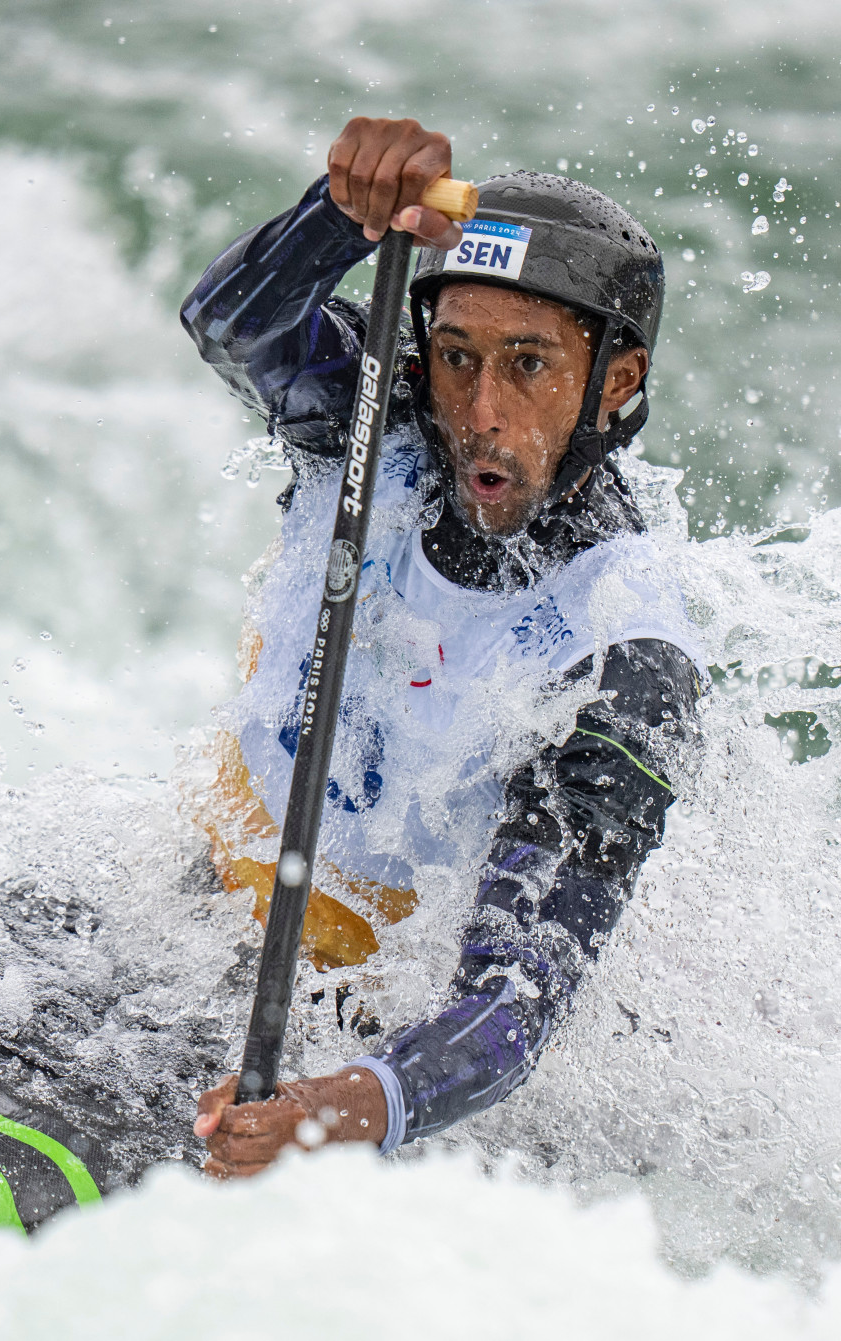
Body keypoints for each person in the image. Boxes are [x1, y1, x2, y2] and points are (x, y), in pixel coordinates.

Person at [180, 117, 705, 1177]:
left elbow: (512, 1008)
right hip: (181, 932)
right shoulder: (369, 427)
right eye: (456, 358)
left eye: (528, 365)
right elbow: (233, 325)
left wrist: (326, 1113)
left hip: (360, 1050)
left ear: (614, 380)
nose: (480, 413)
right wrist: (340, 218)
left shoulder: (618, 660)